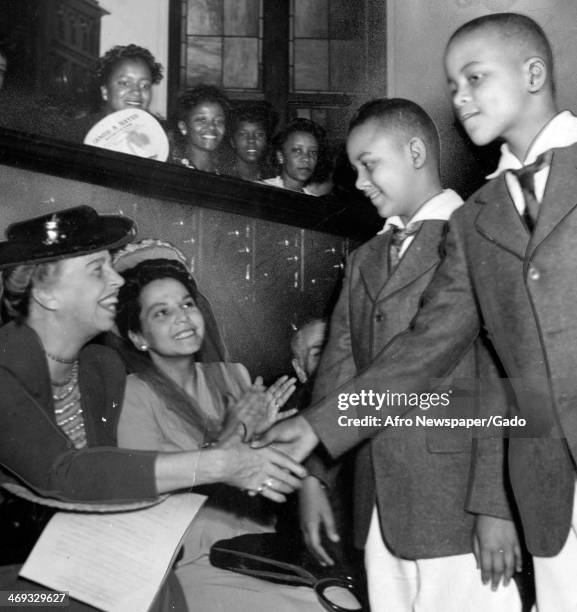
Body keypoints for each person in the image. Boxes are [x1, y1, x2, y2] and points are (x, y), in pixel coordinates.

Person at [256, 12, 577, 612]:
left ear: (533, 73)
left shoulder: (476, 214)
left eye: (474, 77)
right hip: (516, 481)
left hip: (469, 491)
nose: (459, 97)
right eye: (452, 84)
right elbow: (425, 347)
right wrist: (318, 435)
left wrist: (491, 504)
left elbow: (486, 385)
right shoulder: (480, 217)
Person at [0, 206, 306, 608]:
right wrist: (222, 463)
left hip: (73, 562)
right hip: (14, 585)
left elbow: (116, 482)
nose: (116, 280)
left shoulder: (101, 368)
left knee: (160, 596)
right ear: (46, 293)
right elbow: (64, 475)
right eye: (98, 270)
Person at [296, 98, 521, 612]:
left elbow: (505, 383)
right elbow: (337, 371)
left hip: (459, 509)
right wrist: (313, 473)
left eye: (369, 164)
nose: (358, 181)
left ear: (416, 151)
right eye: (353, 169)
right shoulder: (365, 259)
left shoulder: (481, 236)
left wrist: (497, 506)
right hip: (379, 505)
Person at [112, 239, 328, 612]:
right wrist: (234, 432)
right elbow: (148, 499)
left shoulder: (233, 375)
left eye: (187, 304)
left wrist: (277, 440)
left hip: (257, 548)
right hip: (188, 559)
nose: (182, 317)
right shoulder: (133, 394)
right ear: (137, 336)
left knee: (341, 600)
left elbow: (259, 477)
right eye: (161, 313)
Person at [171, 84, 229, 173]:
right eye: (202, 120)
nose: (212, 126)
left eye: (218, 121)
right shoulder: (173, 170)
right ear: (183, 127)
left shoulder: (227, 173)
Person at [262, 118, 326, 194]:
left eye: (313, 152)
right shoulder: (260, 191)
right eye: (297, 151)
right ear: (280, 156)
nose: (306, 158)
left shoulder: (315, 203)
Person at [221, 104, 276, 181]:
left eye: (259, 134)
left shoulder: (273, 179)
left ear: (266, 141)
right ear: (232, 142)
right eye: (243, 134)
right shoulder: (222, 176)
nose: (251, 140)